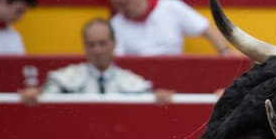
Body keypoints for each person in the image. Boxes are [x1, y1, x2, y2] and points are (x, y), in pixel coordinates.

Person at [24, 18, 173, 103]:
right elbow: (44, 102)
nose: (97, 50)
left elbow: (149, 106)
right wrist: (35, 97)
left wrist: (158, 99)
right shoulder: (63, 80)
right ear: (84, 46)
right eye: (91, 44)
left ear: (114, 44)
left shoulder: (133, 83)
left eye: (102, 43)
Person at [104, 0, 232, 55]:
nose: (120, 10)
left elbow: (207, 29)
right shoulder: (116, 24)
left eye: (122, 4)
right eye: (116, 6)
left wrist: (224, 52)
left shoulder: (170, 7)